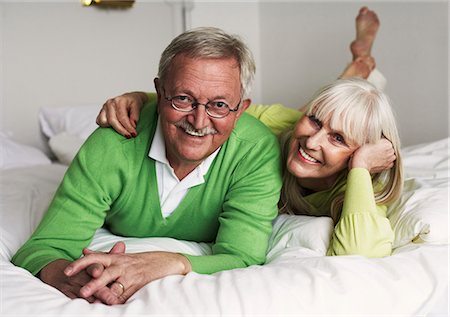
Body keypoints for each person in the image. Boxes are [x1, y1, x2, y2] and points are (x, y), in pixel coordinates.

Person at [97, 7, 403, 257]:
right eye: (314, 122)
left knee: (353, 107)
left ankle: (362, 62)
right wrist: (141, 98)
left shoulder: (362, 184)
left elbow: (360, 253)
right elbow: (213, 110)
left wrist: (361, 167)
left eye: (338, 139)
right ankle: (356, 68)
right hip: (294, 120)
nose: (312, 141)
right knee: (319, 111)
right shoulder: (279, 126)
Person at [12, 27, 283, 305]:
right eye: (183, 99)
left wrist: (170, 263)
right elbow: (42, 248)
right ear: (158, 92)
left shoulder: (256, 150)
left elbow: (243, 257)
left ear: (240, 110)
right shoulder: (111, 143)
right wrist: (74, 277)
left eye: (219, 105)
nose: (199, 121)